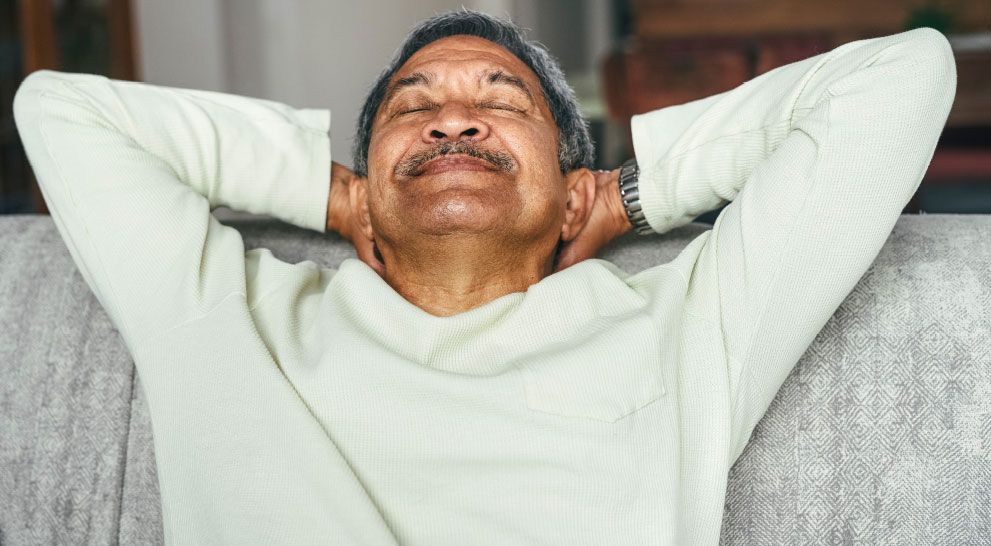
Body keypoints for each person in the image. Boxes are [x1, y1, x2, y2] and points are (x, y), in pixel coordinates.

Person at [12, 9, 955, 546]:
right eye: (411, 109)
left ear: (565, 181)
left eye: (500, 104)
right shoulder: (222, 313)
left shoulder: (691, 321)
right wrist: (333, 197)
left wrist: (630, 195)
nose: (453, 122)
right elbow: (59, 108)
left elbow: (900, 76)